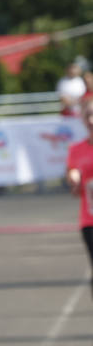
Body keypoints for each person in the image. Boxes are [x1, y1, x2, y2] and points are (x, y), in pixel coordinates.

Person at [65, 97, 93, 299]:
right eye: (88, 115)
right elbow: (73, 174)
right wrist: (74, 181)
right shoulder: (76, 149)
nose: (91, 119)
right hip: (89, 219)